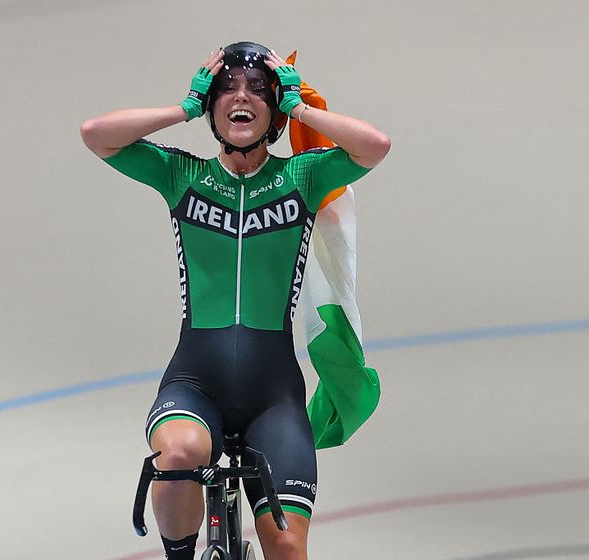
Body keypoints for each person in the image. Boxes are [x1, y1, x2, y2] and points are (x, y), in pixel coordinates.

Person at [80, 42, 390, 560]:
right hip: (195, 382)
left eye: (256, 90)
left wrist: (301, 109)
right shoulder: (184, 176)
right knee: (178, 454)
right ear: (211, 106)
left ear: (273, 108)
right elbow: (97, 135)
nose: (239, 97)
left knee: (287, 547)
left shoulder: (302, 177)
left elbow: (374, 146)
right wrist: (183, 107)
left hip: (274, 396)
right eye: (226, 89)